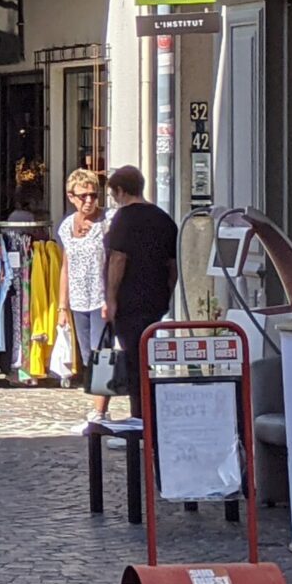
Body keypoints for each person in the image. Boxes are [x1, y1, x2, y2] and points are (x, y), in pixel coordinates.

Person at [103, 165, 177, 420]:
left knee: (134, 364)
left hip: (130, 301)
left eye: (114, 194)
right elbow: (172, 265)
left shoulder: (124, 219)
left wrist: (111, 299)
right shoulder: (163, 218)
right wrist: (167, 294)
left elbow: (118, 260)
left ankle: (140, 420)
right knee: (147, 360)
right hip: (155, 300)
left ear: (121, 191)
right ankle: (150, 416)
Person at [58, 169, 113, 425]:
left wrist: (111, 298)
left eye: (93, 194)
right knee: (88, 356)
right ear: (71, 197)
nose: (89, 201)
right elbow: (66, 265)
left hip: (101, 297)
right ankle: (97, 406)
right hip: (79, 299)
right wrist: (61, 305)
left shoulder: (107, 221)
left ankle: (101, 411)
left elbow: (116, 259)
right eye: (83, 196)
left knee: (101, 352)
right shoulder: (67, 226)